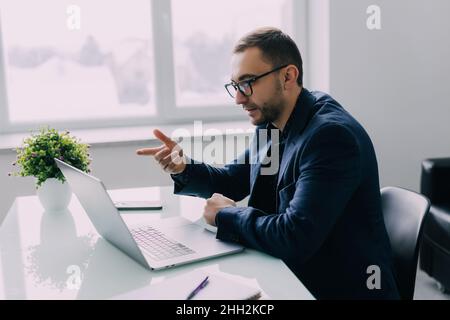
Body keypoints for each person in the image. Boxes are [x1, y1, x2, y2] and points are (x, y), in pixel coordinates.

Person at [136, 27, 399, 299]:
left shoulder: (330, 138)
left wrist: (226, 215)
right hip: (288, 277)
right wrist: (184, 167)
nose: (239, 98)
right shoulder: (274, 121)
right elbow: (234, 180)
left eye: (248, 82)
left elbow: (294, 237)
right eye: (236, 85)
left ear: (288, 76)